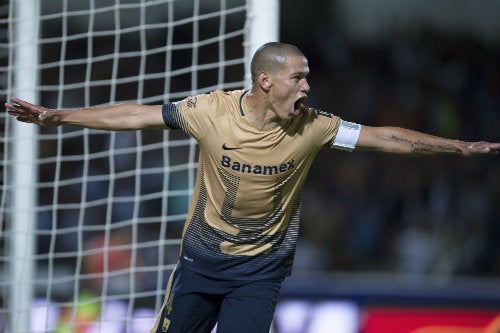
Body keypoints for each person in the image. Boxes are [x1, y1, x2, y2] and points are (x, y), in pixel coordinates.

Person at [5, 42, 500, 333]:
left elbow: (381, 137)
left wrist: (456, 146)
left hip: (259, 273)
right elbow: (136, 115)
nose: (307, 88)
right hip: (199, 264)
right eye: (299, 79)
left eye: (308, 79)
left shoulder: (316, 126)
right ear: (265, 80)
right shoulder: (210, 112)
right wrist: (60, 116)